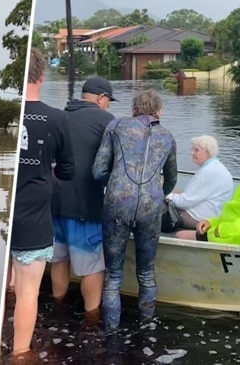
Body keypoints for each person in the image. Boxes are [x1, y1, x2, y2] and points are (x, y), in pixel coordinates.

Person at [8, 48, 75, 361]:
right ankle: (20, 353)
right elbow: (68, 171)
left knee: (8, 282)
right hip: (34, 216)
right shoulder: (56, 118)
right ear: (42, 75)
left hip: (4, 211)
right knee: (28, 292)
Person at [92, 89, 177, 332]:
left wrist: (118, 182)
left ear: (133, 109)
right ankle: (147, 330)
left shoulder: (115, 126)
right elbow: (170, 179)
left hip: (117, 203)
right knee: (147, 273)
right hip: (151, 206)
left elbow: (97, 172)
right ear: (159, 111)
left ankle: (111, 333)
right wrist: (157, 192)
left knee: (113, 276)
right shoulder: (168, 137)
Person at [50, 76, 116, 327]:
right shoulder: (106, 121)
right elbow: (114, 164)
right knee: (92, 267)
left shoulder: (59, 115)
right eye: (108, 101)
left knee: (59, 259)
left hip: (54, 203)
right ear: (101, 98)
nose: (108, 106)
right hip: (85, 206)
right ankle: (91, 318)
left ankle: (58, 308)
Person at [166, 135, 233, 229]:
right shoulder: (216, 166)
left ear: (208, 152)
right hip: (214, 212)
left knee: (160, 208)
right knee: (175, 192)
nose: (192, 153)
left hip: (200, 218)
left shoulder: (209, 172)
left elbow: (186, 202)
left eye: (196, 150)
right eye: (192, 149)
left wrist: (164, 196)